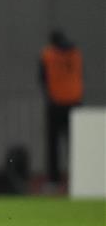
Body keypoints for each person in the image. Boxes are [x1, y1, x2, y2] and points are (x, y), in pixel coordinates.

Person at [39, 30, 83, 185]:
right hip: (75, 101)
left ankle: (54, 179)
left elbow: (42, 80)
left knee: (53, 144)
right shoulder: (75, 53)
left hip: (56, 103)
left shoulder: (48, 55)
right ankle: (79, 177)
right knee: (75, 143)